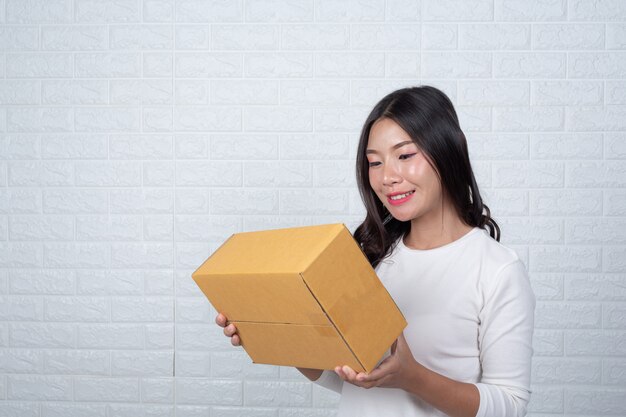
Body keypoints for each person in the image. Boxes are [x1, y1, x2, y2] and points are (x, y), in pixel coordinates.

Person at [216, 86, 535, 417]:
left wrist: (413, 378)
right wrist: (275, 333)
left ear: (451, 149)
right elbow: (345, 378)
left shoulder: (497, 269)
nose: (387, 178)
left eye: (405, 155)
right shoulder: (371, 257)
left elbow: (509, 404)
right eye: (374, 162)